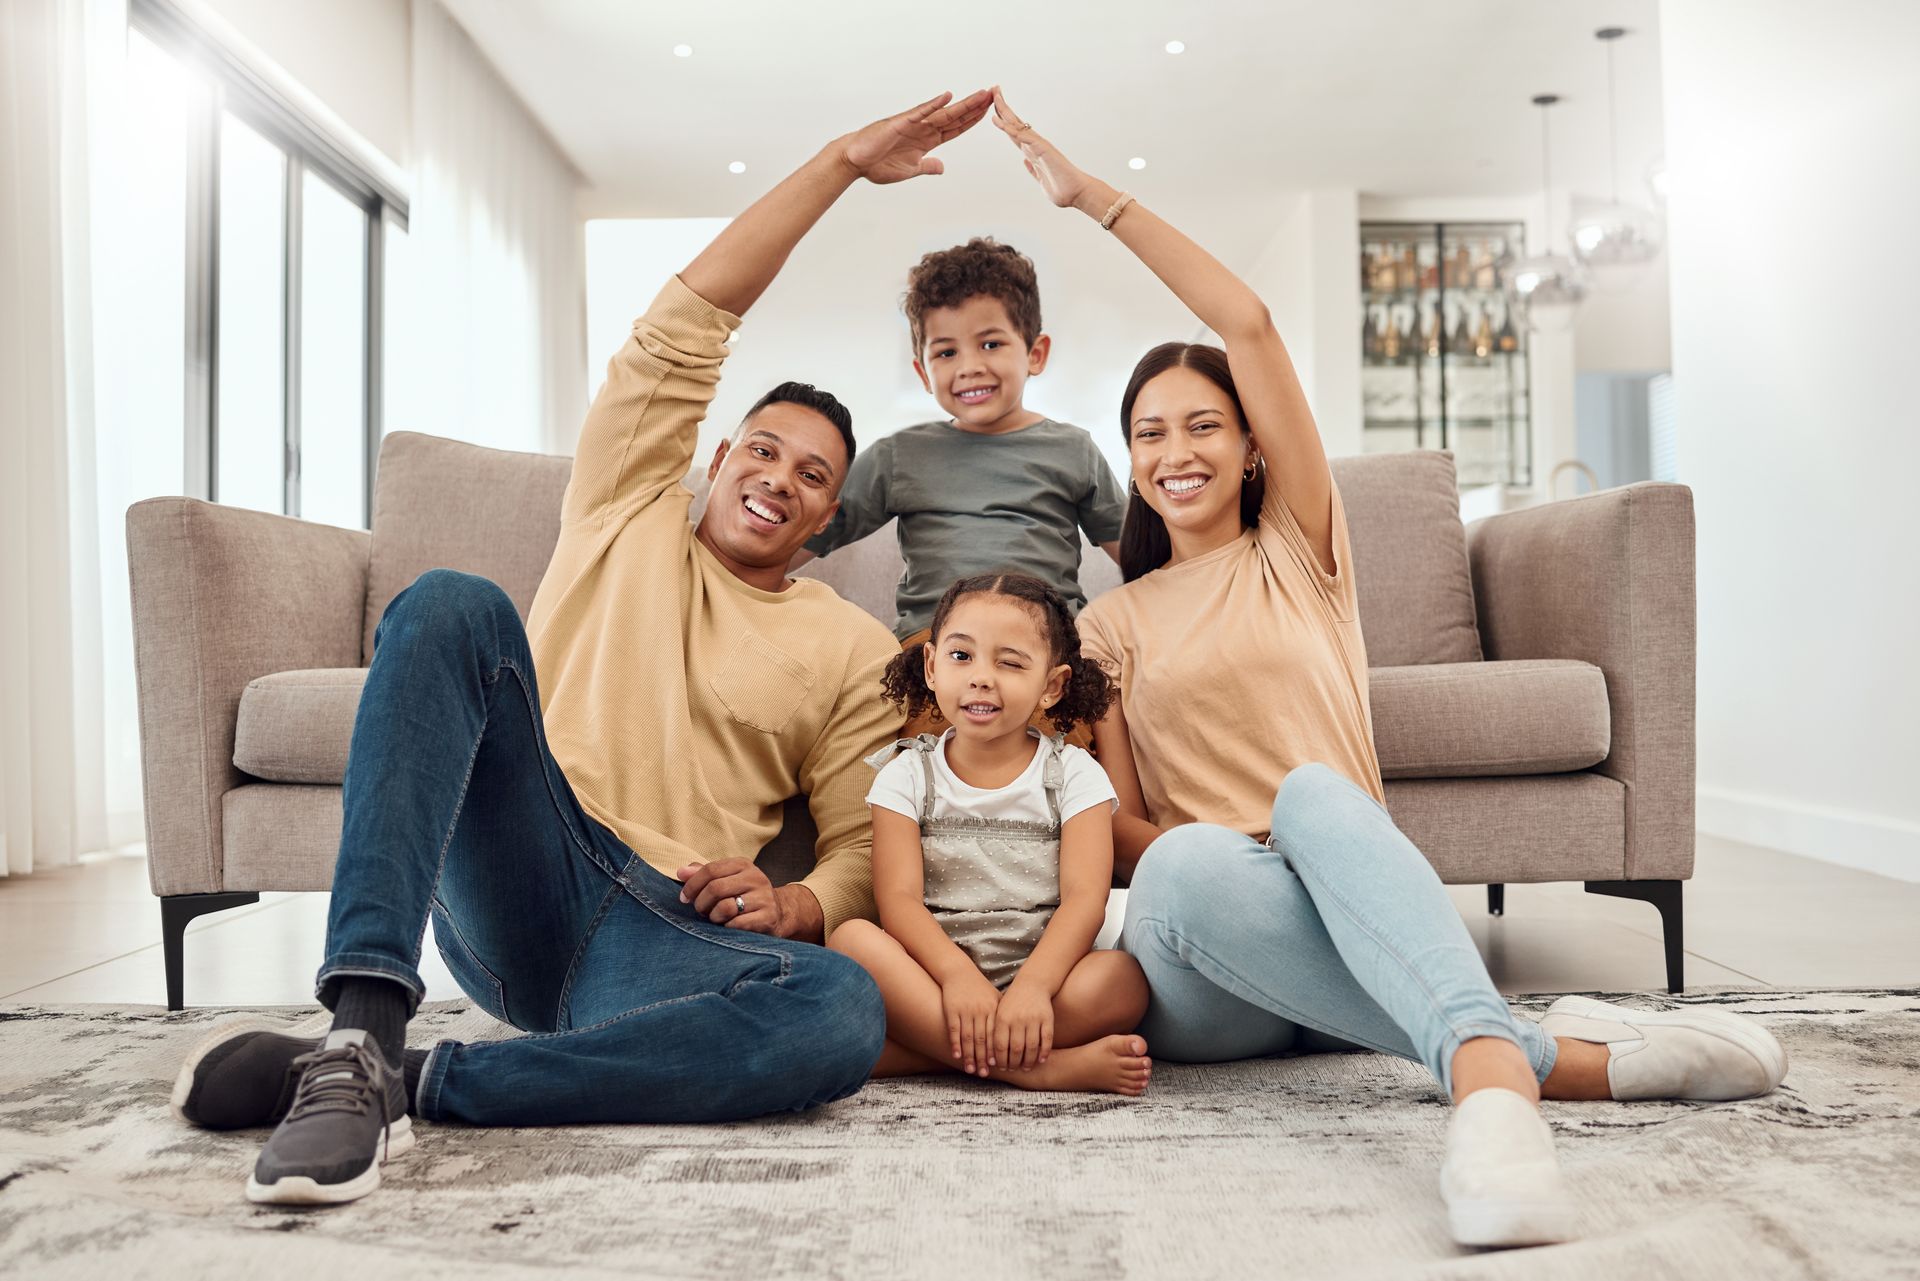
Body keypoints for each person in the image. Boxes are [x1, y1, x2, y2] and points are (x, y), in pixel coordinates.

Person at [988, 89, 1789, 1249]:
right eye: (1150, 434)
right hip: (1211, 952)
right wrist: (1231, 853)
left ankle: (1495, 1083)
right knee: (1190, 869)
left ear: (1253, 444)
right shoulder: (1107, 624)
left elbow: (1251, 326)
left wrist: (1093, 200)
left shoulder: (1303, 553)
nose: (1174, 452)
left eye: (1201, 424)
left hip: (1358, 917)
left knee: (1318, 793)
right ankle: (1556, 1059)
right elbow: (1118, 828)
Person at [167, 89, 996, 1207]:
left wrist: (794, 907)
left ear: (828, 517)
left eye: (813, 477)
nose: (779, 479)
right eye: (764, 449)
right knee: (453, 604)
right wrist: (841, 163)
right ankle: (361, 1021)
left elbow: (862, 846)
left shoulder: (849, 647)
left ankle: (404, 1083)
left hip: (656, 931)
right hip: (526, 862)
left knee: (837, 1012)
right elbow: (687, 322)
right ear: (714, 455)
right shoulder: (627, 505)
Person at [793, 238, 1126, 744]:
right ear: (924, 373)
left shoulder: (1072, 450)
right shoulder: (899, 456)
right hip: (937, 654)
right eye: (946, 351)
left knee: (1067, 761)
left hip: (1043, 655)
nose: (969, 365)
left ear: (1035, 353)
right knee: (924, 765)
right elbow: (804, 535)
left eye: (991, 344)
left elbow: (1142, 559)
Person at [829, 574, 1151, 1095]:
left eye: (1010, 662)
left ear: (1052, 686)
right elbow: (899, 900)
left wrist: (1032, 989)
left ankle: (924, 1052)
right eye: (962, 657)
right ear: (931, 666)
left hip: (1046, 978)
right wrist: (957, 979)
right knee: (851, 939)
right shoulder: (906, 774)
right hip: (933, 979)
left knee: (1122, 981)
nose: (981, 678)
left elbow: (1086, 899)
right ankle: (1038, 1068)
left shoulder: (1074, 773)